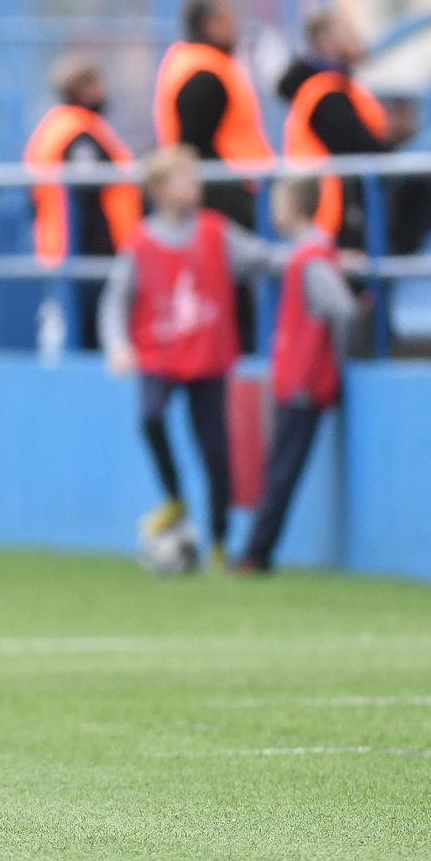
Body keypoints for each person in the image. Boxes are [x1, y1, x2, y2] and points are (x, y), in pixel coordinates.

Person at [100, 145, 273, 570]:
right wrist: (118, 344)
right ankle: (175, 497)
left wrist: (313, 257)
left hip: (208, 357)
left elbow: (263, 259)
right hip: (160, 354)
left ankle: (217, 541)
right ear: (158, 189)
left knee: (215, 450)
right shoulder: (141, 243)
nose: (194, 184)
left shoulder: (216, 231)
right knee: (151, 416)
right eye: (184, 178)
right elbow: (114, 300)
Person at [234, 177, 359, 573]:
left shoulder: (311, 259)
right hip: (297, 377)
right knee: (279, 465)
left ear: (293, 204)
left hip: (306, 382)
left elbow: (342, 311)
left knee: (282, 468)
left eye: (278, 200)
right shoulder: (304, 255)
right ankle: (256, 550)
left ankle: (257, 552)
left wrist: (334, 366)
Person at [154, 0, 275, 350]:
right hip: (226, 195)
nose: (235, 27)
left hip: (226, 190)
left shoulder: (195, 64)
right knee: (232, 278)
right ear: (210, 24)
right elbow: (197, 143)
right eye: (227, 19)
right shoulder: (205, 73)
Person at [23, 56, 142, 349]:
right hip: (85, 250)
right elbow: (86, 192)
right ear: (82, 89)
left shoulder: (63, 126)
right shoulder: (77, 133)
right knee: (92, 335)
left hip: (67, 248)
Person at [277, 9, 389, 249]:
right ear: (326, 43)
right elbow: (359, 146)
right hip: (330, 216)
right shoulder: (326, 95)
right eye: (347, 32)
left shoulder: (338, 87)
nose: (356, 38)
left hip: (334, 211)